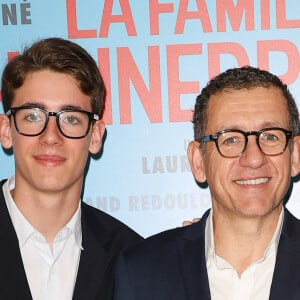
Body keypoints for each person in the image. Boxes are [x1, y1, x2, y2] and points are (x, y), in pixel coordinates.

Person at [113, 66, 300, 300]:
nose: (254, 158)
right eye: (230, 139)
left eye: (271, 136)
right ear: (198, 161)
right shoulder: (142, 271)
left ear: (294, 156)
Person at [0, 37, 142, 300]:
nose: (51, 136)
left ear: (95, 136)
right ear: (7, 131)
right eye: (33, 116)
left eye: (71, 119)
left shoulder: (133, 259)